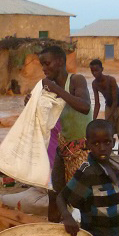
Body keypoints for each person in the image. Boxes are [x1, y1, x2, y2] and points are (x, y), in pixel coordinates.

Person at [39, 45, 91, 222]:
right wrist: (32, 103)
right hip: (64, 146)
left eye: (47, 64)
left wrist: (56, 90)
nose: (44, 69)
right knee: (54, 193)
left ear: (60, 62)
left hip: (83, 148)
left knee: (83, 198)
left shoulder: (76, 80)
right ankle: (52, 233)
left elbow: (84, 106)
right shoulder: (48, 89)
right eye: (42, 65)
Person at [89, 59, 119, 155]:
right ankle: (109, 154)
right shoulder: (94, 84)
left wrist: (108, 118)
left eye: (96, 70)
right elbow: (97, 103)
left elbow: (115, 101)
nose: (94, 73)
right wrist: (93, 120)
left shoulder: (111, 80)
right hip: (109, 105)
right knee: (108, 133)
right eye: (92, 71)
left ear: (102, 69)